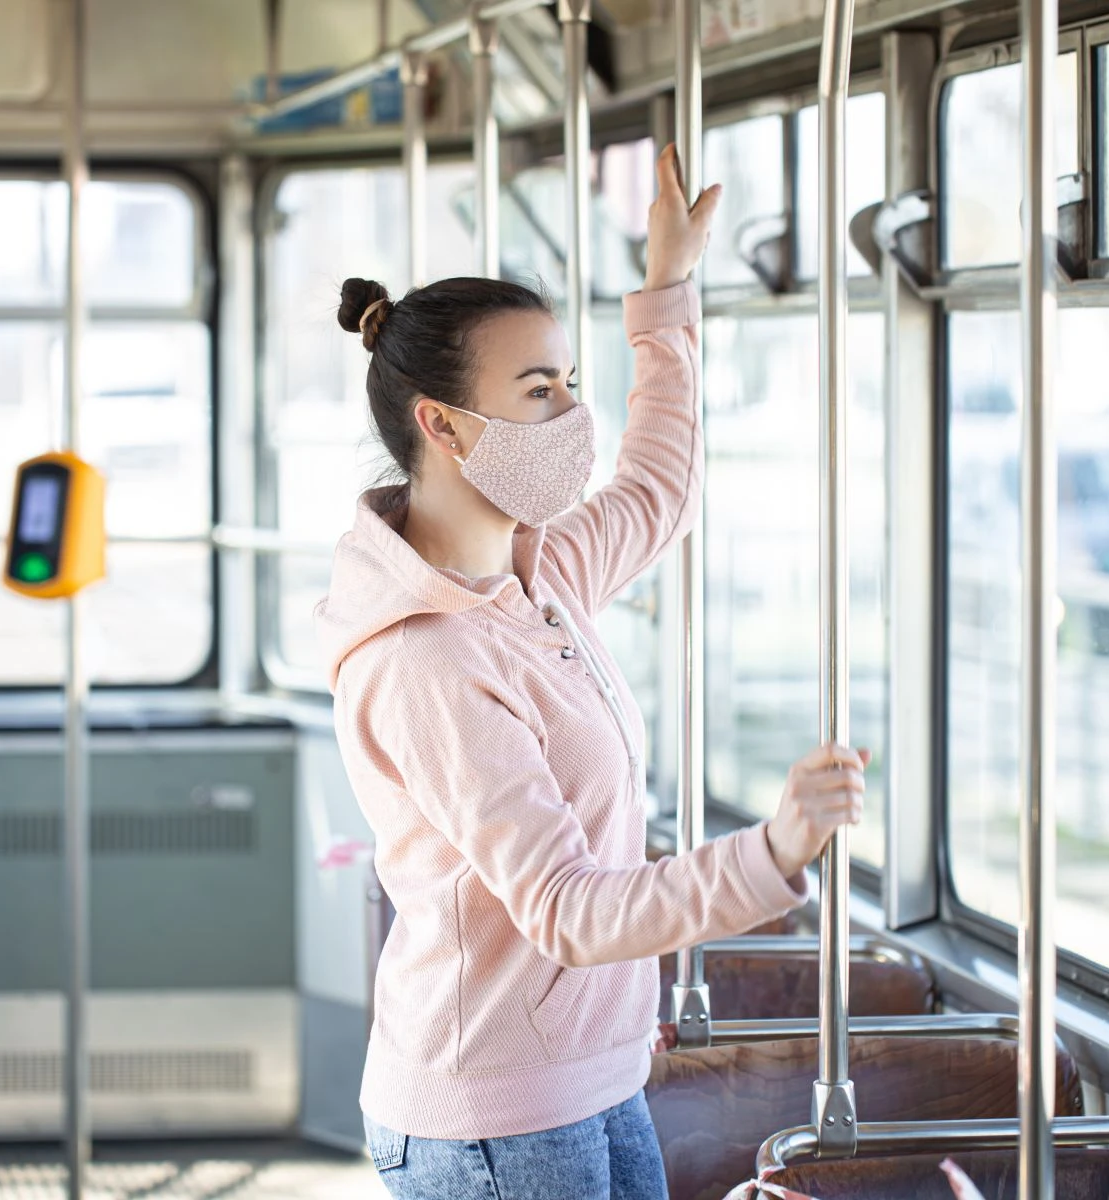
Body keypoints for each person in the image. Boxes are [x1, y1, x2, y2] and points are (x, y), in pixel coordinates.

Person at [316, 144, 869, 1200]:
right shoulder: (421, 657)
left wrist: (664, 295)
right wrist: (772, 850)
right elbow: (566, 910)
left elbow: (659, 485)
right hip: (491, 1117)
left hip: (592, 1077)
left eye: (570, 383)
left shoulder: (539, 573)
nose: (574, 415)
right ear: (440, 424)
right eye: (539, 391)